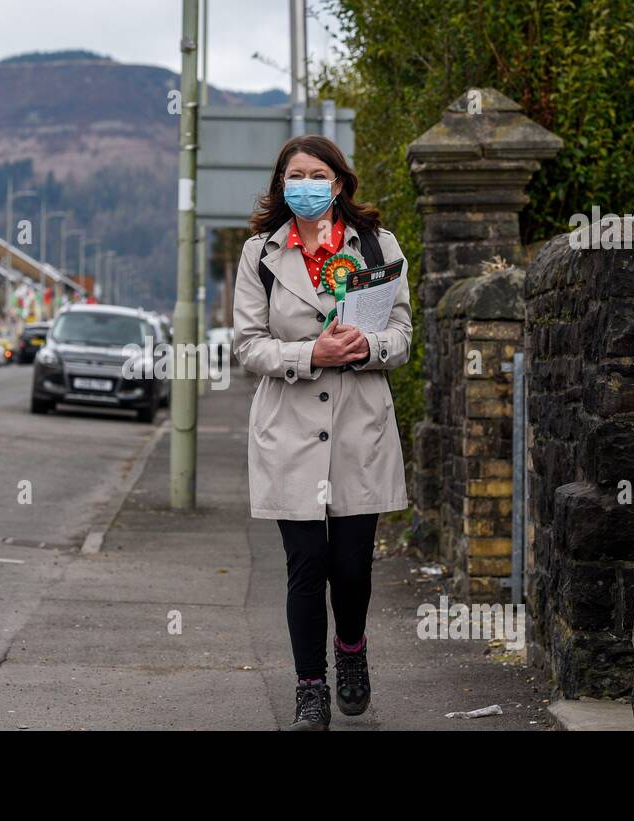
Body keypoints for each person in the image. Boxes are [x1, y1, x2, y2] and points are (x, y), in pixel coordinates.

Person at [232, 135, 412, 731]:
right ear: (283, 184)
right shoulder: (261, 253)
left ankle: (352, 653)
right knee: (306, 565)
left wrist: (367, 346)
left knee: (354, 566)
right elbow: (248, 344)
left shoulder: (376, 245)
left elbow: (403, 334)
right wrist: (312, 352)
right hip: (290, 429)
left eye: (315, 174)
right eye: (293, 175)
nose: (303, 183)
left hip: (360, 425)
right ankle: (311, 688)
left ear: (337, 183)